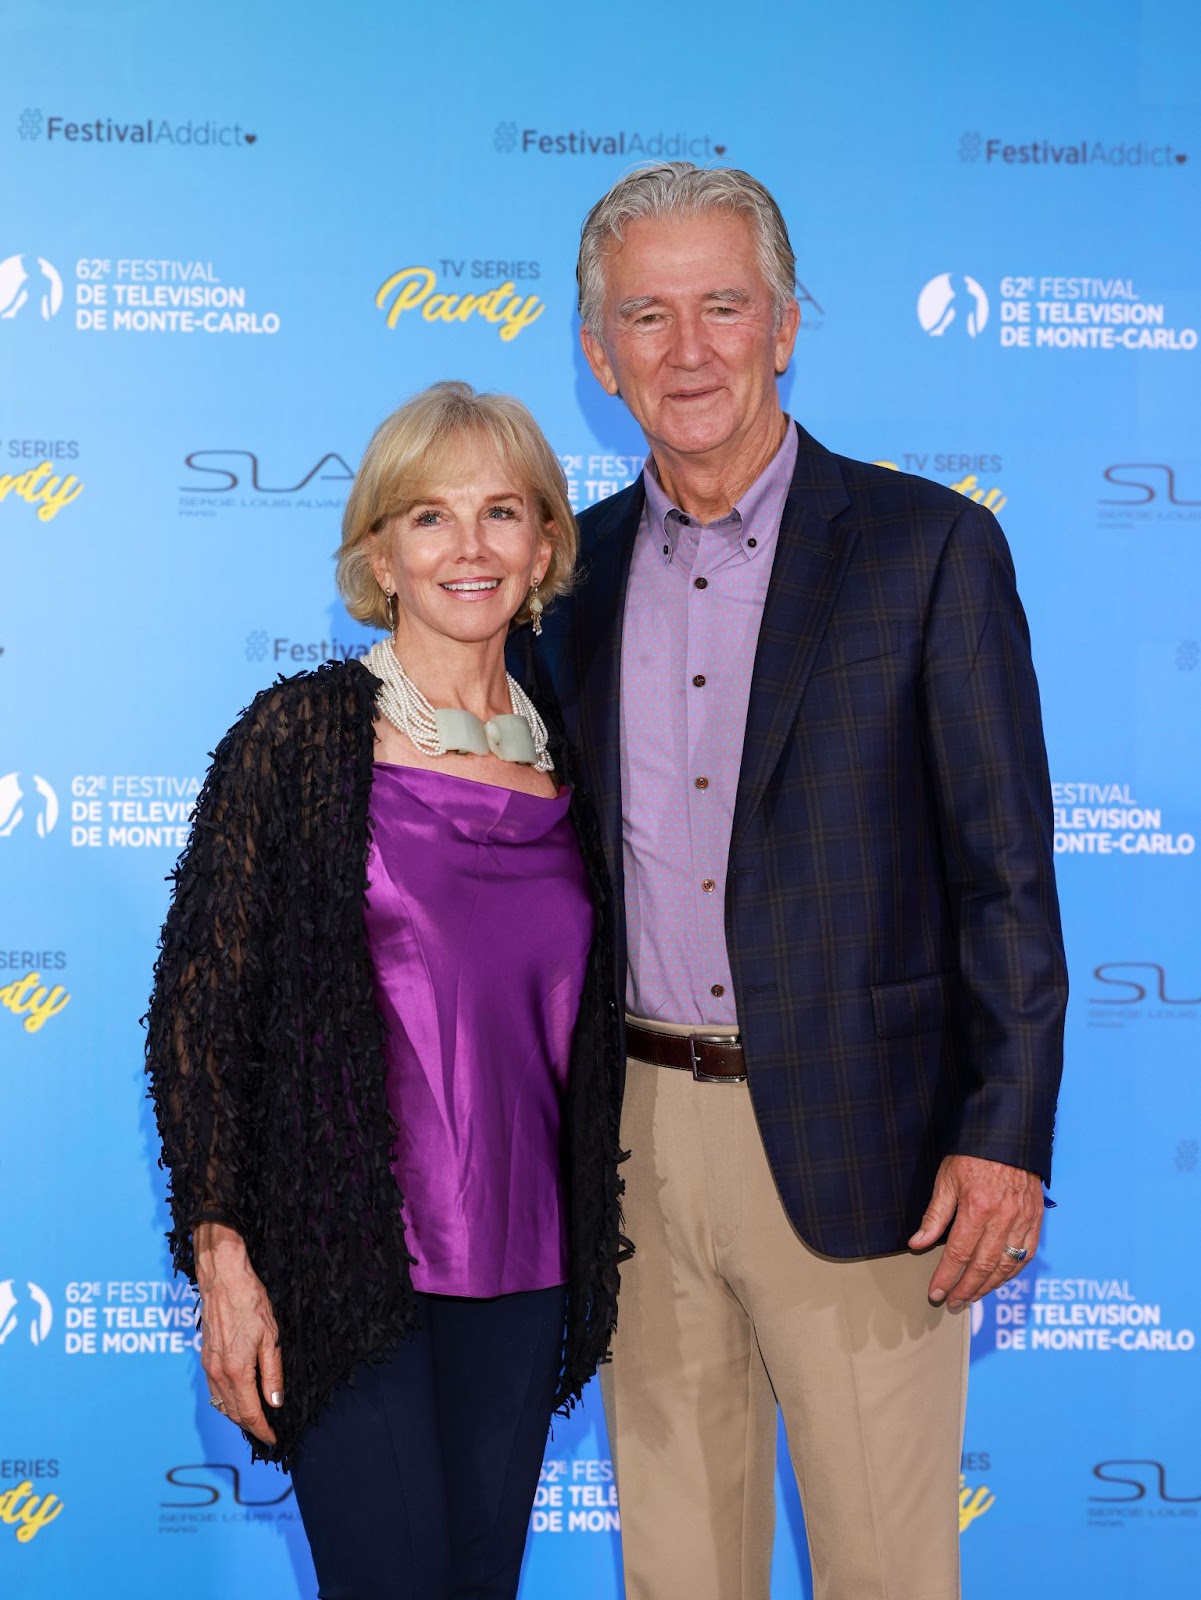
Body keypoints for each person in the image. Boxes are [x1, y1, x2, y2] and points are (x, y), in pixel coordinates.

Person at [508, 164, 1067, 1600]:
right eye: (645, 314)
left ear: (786, 324)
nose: (686, 351)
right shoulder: (568, 581)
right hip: (631, 1141)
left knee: (885, 1569)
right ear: (596, 352)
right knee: (678, 1568)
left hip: (867, 1141)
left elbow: (1003, 873)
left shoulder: (927, 549)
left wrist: (1003, 1136)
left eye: (721, 307)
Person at [146, 381, 628, 1600]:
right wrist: (221, 1253)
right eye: (428, 516)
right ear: (378, 553)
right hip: (348, 1262)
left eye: (502, 512)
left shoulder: (579, 754)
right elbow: (200, 1013)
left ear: (546, 546)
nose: (469, 547)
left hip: (526, 1271)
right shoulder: (300, 741)